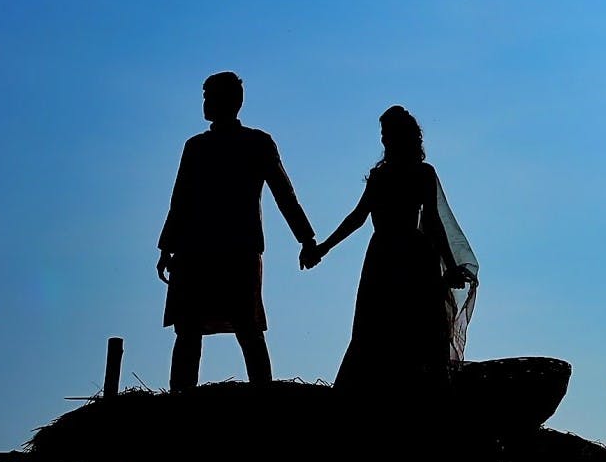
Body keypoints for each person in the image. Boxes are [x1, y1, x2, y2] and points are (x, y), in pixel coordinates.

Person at [158, 71, 318, 391]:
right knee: (190, 329)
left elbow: (284, 194)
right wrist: (167, 247)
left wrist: (306, 237)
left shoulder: (254, 143)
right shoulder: (198, 147)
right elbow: (181, 200)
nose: (205, 103)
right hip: (199, 249)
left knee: (245, 326)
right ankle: (180, 396)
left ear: (230, 102)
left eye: (210, 96)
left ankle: (261, 392)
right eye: (205, 96)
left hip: (232, 248)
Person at [303, 105, 478, 394]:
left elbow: (433, 222)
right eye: (383, 134)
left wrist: (449, 264)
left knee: (410, 330)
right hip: (390, 258)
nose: (384, 140)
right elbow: (357, 217)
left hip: (405, 257)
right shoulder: (385, 176)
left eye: (388, 134)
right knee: (380, 329)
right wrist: (323, 248)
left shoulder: (417, 174)